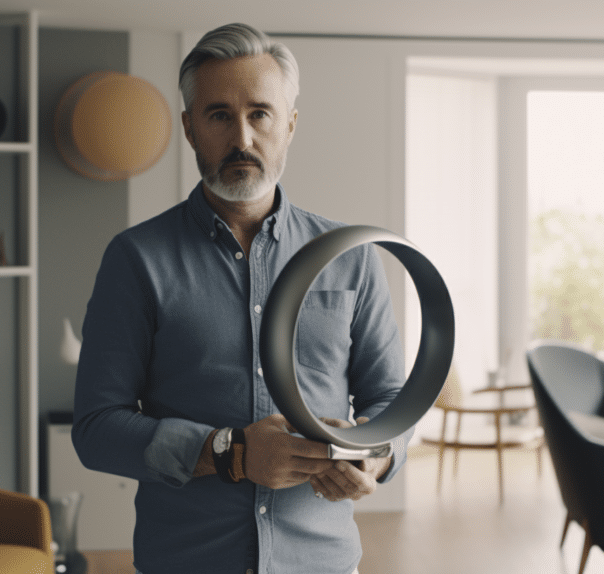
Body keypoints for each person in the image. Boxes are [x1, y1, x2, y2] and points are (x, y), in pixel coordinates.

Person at [72, 22, 412, 574]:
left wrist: (373, 455)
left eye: (260, 114)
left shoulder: (351, 255)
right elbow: (95, 429)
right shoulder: (135, 258)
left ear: (291, 124)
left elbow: (392, 400)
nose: (242, 139)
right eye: (219, 115)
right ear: (188, 128)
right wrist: (230, 452)